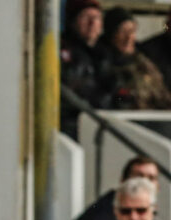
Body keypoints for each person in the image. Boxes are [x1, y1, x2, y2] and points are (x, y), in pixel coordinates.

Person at [102, 7, 171, 111]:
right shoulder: (104, 61)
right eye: (122, 31)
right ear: (111, 34)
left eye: (132, 31)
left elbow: (162, 94)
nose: (129, 37)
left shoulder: (143, 60)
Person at [60, 0, 112, 137]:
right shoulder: (62, 50)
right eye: (85, 17)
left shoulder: (105, 53)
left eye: (97, 18)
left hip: (100, 125)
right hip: (71, 127)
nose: (92, 23)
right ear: (73, 21)